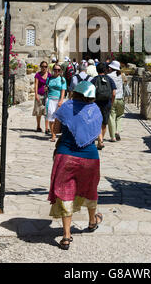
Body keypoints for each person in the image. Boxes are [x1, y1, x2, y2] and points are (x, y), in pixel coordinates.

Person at [48, 81, 103, 250]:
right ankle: (92, 222)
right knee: (90, 189)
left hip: (66, 156)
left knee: (66, 192)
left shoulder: (66, 107)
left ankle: (66, 236)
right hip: (90, 158)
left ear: (75, 92)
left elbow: (55, 129)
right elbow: (98, 133)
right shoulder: (95, 110)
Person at [91, 62, 116, 150]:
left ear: (97, 70)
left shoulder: (94, 80)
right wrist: (111, 103)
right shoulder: (109, 79)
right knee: (104, 123)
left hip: (96, 103)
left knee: (96, 122)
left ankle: (100, 140)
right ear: (105, 70)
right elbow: (113, 93)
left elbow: (90, 92)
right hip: (107, 103)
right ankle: (100, 141)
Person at [45, 63, 67, 142]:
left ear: (60, 71)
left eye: (58, 70)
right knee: (51, 117)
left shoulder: (62, 79)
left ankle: (59, 132)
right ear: (53, 70)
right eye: (55, 69)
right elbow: (46, 87)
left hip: (58, 100)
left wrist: (61, 100)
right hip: (50, 99)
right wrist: (45, 89)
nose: (57, 71)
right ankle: (53, 134)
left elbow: (63, 90)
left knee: (58, 118)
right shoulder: (49, 79)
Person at [107, 60, 126, 142]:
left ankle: (113, 136)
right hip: (121, 98)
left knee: (111, 117)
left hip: (112, 98)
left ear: (111, 68)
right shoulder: (122, 75)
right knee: (120, 115)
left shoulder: (108, 76)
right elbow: (125, 83)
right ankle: (117, 130)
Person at [32, 61, 51, 134]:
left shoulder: (49, 75)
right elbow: (36, 85)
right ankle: (38, 126)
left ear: (47, 67)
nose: (44, 68)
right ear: (40, 67)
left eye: (45, 66)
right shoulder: (37, 75)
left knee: (46, 111)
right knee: (39, 111)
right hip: (39, 94)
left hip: (47, 95)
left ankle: (47, 128)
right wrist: (36, 94)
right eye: (42, 66)